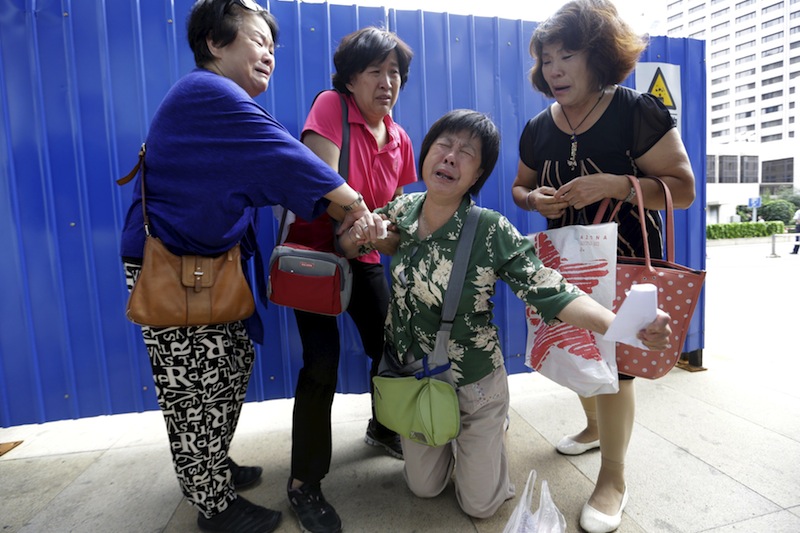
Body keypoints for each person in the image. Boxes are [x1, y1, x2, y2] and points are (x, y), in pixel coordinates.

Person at [342, 109, 673, 520]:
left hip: (474, 383)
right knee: (424, 489)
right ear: (426, 153)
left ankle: (489, 432)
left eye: (466, 152)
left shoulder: (490, 229)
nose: (450, 157)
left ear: (478, 174)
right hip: (415, 378)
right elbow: (351, 242)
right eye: (443, 145)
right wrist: (358, 233)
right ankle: (456, 448)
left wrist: (619, 325)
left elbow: (549, 286)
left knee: (480, 505)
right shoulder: (401, 211)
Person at [118, 1, 371, 532]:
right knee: (194, 388)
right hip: (171, 265)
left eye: (273, 49)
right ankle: (211, 504)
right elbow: (286, 159)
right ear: (214, 42)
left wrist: (338, 206)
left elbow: (271, 173)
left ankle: (210, 466)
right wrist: (355, 206)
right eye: (258, 41)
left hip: (210, 263)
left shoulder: (222, 101)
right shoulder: (207, 93)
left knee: (229, 367)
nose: (269, 56)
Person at [510, 1, 696, 531]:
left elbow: (682, 191)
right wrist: (532, 202)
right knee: (577, 349)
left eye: (568, 55)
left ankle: (613, 476)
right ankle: (594, 429)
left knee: (618, 369)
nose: (555, 69)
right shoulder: (536, 127)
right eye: (547, 59)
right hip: (565, 258)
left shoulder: (637, 111)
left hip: (629, 259)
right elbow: (520, 186)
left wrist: (616, 184)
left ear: (600, 57)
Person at [282, 26, 416, 533]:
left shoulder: (400, 137)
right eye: (375, 71)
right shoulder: (330, 107)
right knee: (321, 364)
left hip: (366, 257)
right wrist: (363, 217)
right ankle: (303, 483)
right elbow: (323, 184)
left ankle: (384, 428)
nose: (387, 82)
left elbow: (400, 214)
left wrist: (385, 236)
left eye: (395, 73)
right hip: (318, 256)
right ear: (351, 79)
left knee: (388, 344)